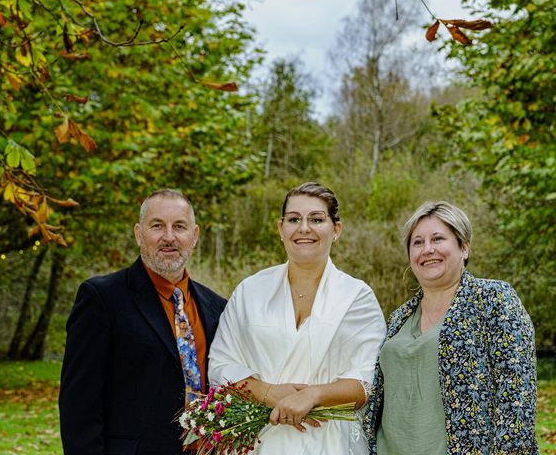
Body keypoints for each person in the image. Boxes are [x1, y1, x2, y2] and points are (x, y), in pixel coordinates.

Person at [208, 182, 386, 454]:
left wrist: (312, 395)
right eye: (294, 219)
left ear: (336, 230)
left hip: (330, 442)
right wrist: (268, 392)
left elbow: (366, 381)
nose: (304, 228)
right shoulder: (250, 291)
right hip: (260, 439)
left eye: (316, 219)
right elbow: (221, 365)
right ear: (281, 229)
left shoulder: (357, 297)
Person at [363, 201, 539, 455]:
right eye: (418, 242)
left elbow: (517, 394)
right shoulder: (400, 316)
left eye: (437, 239)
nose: (427, 249)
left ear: (464, 247)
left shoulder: (493, 299)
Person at [59, 189, 227, 455]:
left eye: (179, 227)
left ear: (194, 236)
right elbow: (79, 407)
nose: (169, 237)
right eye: (157, 226)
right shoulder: (102, 299)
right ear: (139, 234)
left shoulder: (217, 308)